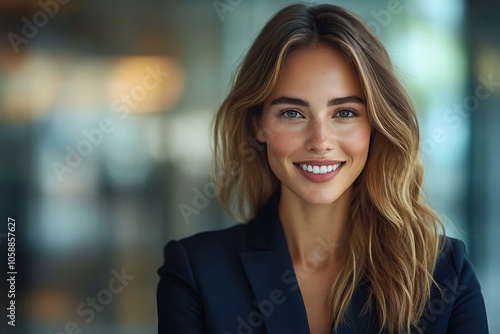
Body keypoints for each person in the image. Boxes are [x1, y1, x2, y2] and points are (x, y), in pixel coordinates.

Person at [157, 3, 488, 333]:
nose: (320, 141)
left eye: (344, 113)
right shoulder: (196, 272)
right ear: (258, 125)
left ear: (375, 124)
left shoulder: (444, 275)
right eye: (292, 113)